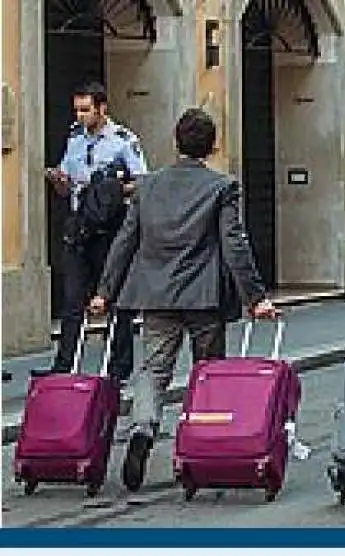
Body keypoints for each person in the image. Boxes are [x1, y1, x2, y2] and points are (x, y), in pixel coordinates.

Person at [89, 108, 280, 492]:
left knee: (153, 369)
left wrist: (104, 292)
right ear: (211, 146)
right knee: (208, 372)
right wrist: (255, 298)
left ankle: (143, 428)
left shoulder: (147, 186)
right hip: (203, 297)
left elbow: (125, 241)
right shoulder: (221, 187)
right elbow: (234, 245)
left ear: (177, 142)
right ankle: (203, 443)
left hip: (155, 294)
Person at [45, 81, 146, 383]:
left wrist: (112, 190)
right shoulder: (74, 140)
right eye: (77, 110)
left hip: (111, 228)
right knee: (73, 299)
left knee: (116, 298)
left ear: (102, 108)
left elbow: (142, 181)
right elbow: (66, 187)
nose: (80, 116)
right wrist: (59, 180)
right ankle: (65, 365)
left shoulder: (123, 141)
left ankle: (118, 368)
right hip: (80, 226)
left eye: (86, 110)